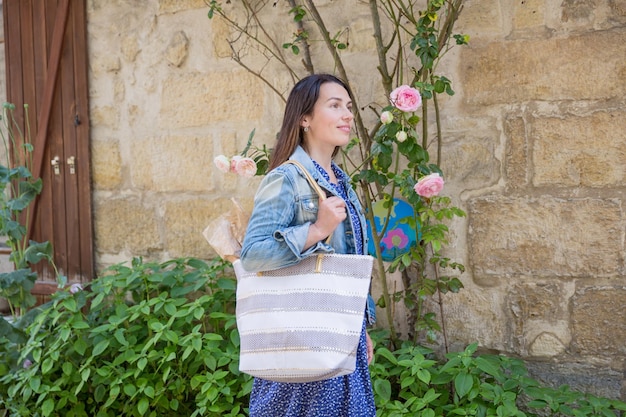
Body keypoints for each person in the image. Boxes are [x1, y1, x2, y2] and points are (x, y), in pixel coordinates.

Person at [239, 73, 376, 417]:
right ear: (305, 118)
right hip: (300, 337)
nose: (347, 115)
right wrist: (316, 230)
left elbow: (349, 262)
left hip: (339, 336)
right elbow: (253, 253)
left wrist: (359, 328)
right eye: (334, 106)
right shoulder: (286, 178)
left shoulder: (342, 183)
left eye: (348, 107)